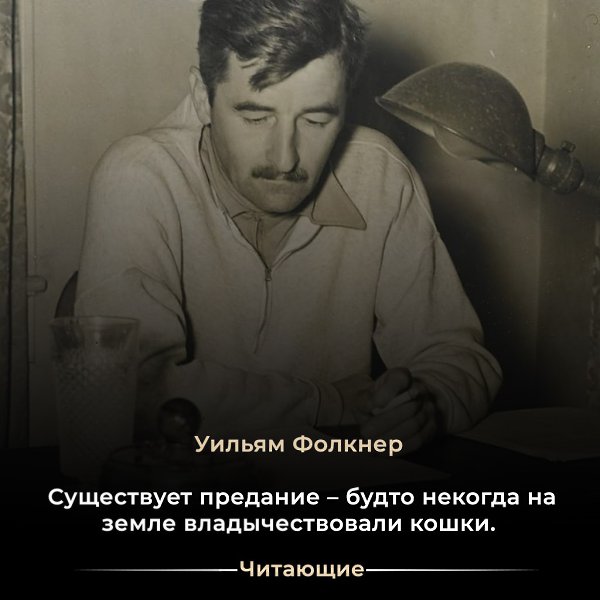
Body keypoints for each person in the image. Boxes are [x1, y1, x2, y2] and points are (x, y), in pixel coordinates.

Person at [75, 0, 502, 453]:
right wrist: (330, 403)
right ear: (202, 96)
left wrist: (427, 403)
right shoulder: (139, 176)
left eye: (317, 120)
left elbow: (458, 357)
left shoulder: (381, 176)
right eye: (255, 117)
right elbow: (132, 389)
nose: (285, 159)